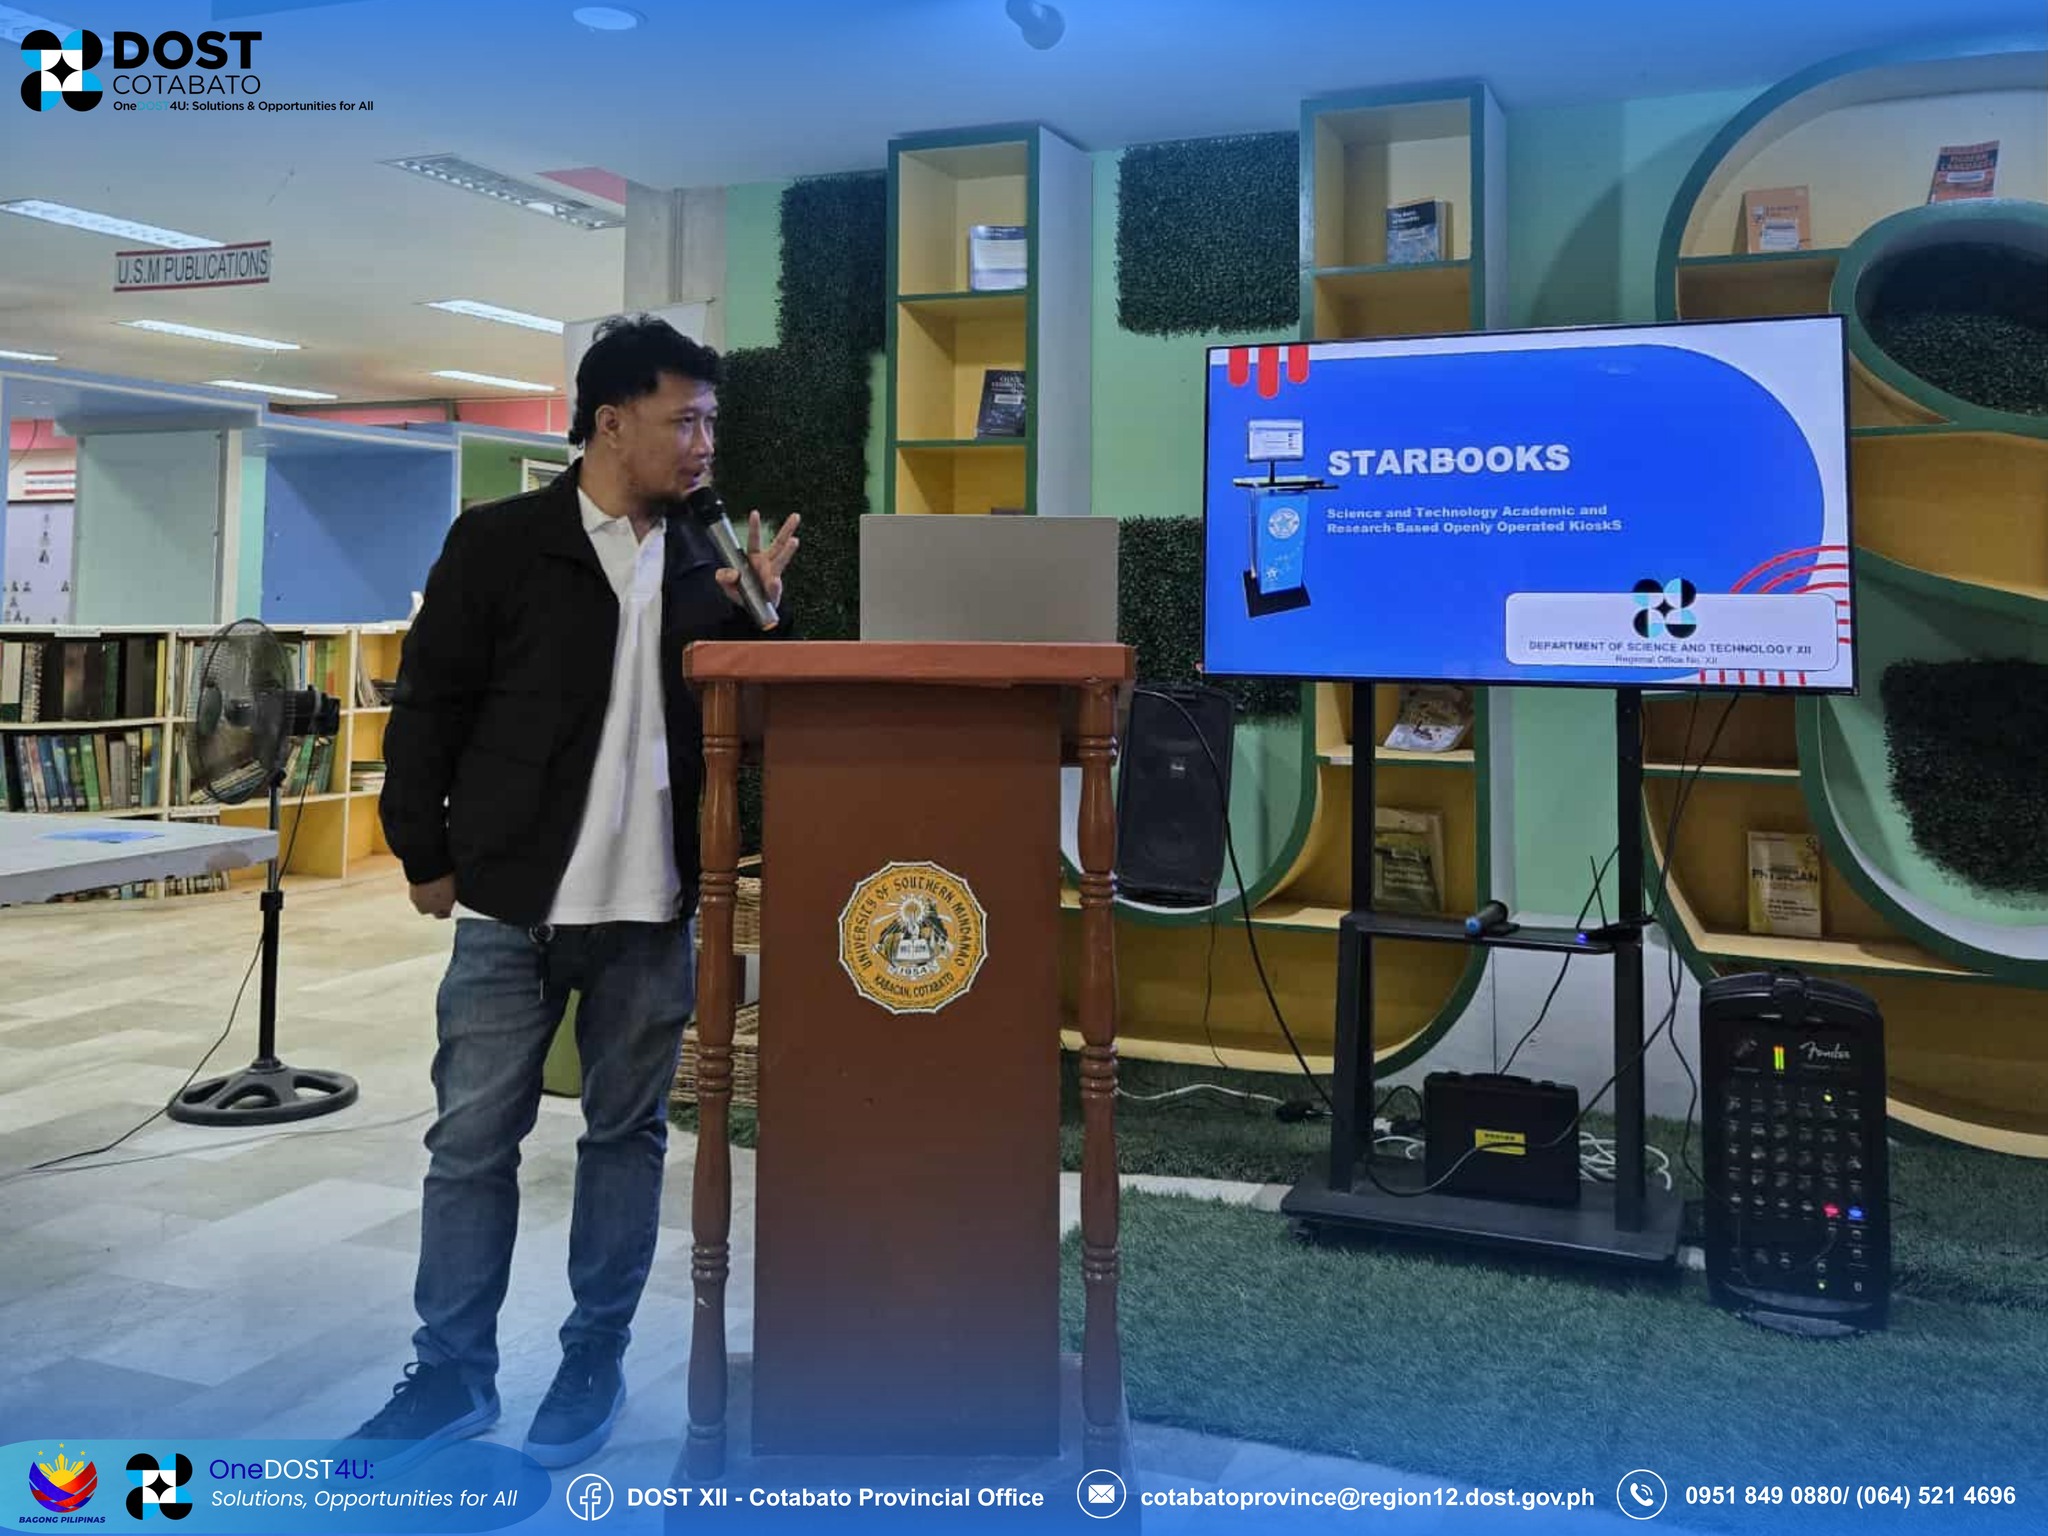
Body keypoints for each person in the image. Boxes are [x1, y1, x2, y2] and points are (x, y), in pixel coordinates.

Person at [355, 315, 798, 1469]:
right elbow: (430, 707)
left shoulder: (706, 562)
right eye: (682, 420)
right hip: (513, 906)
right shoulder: (500, 542)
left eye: (710, 421)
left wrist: (765, 621)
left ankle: (591, 1357)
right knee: (470, 1143)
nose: (704, 443)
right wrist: (423, 851)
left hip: (651, 913)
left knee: (624, 1140)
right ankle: (450, 1373)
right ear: (609, 423)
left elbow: (755, 733)